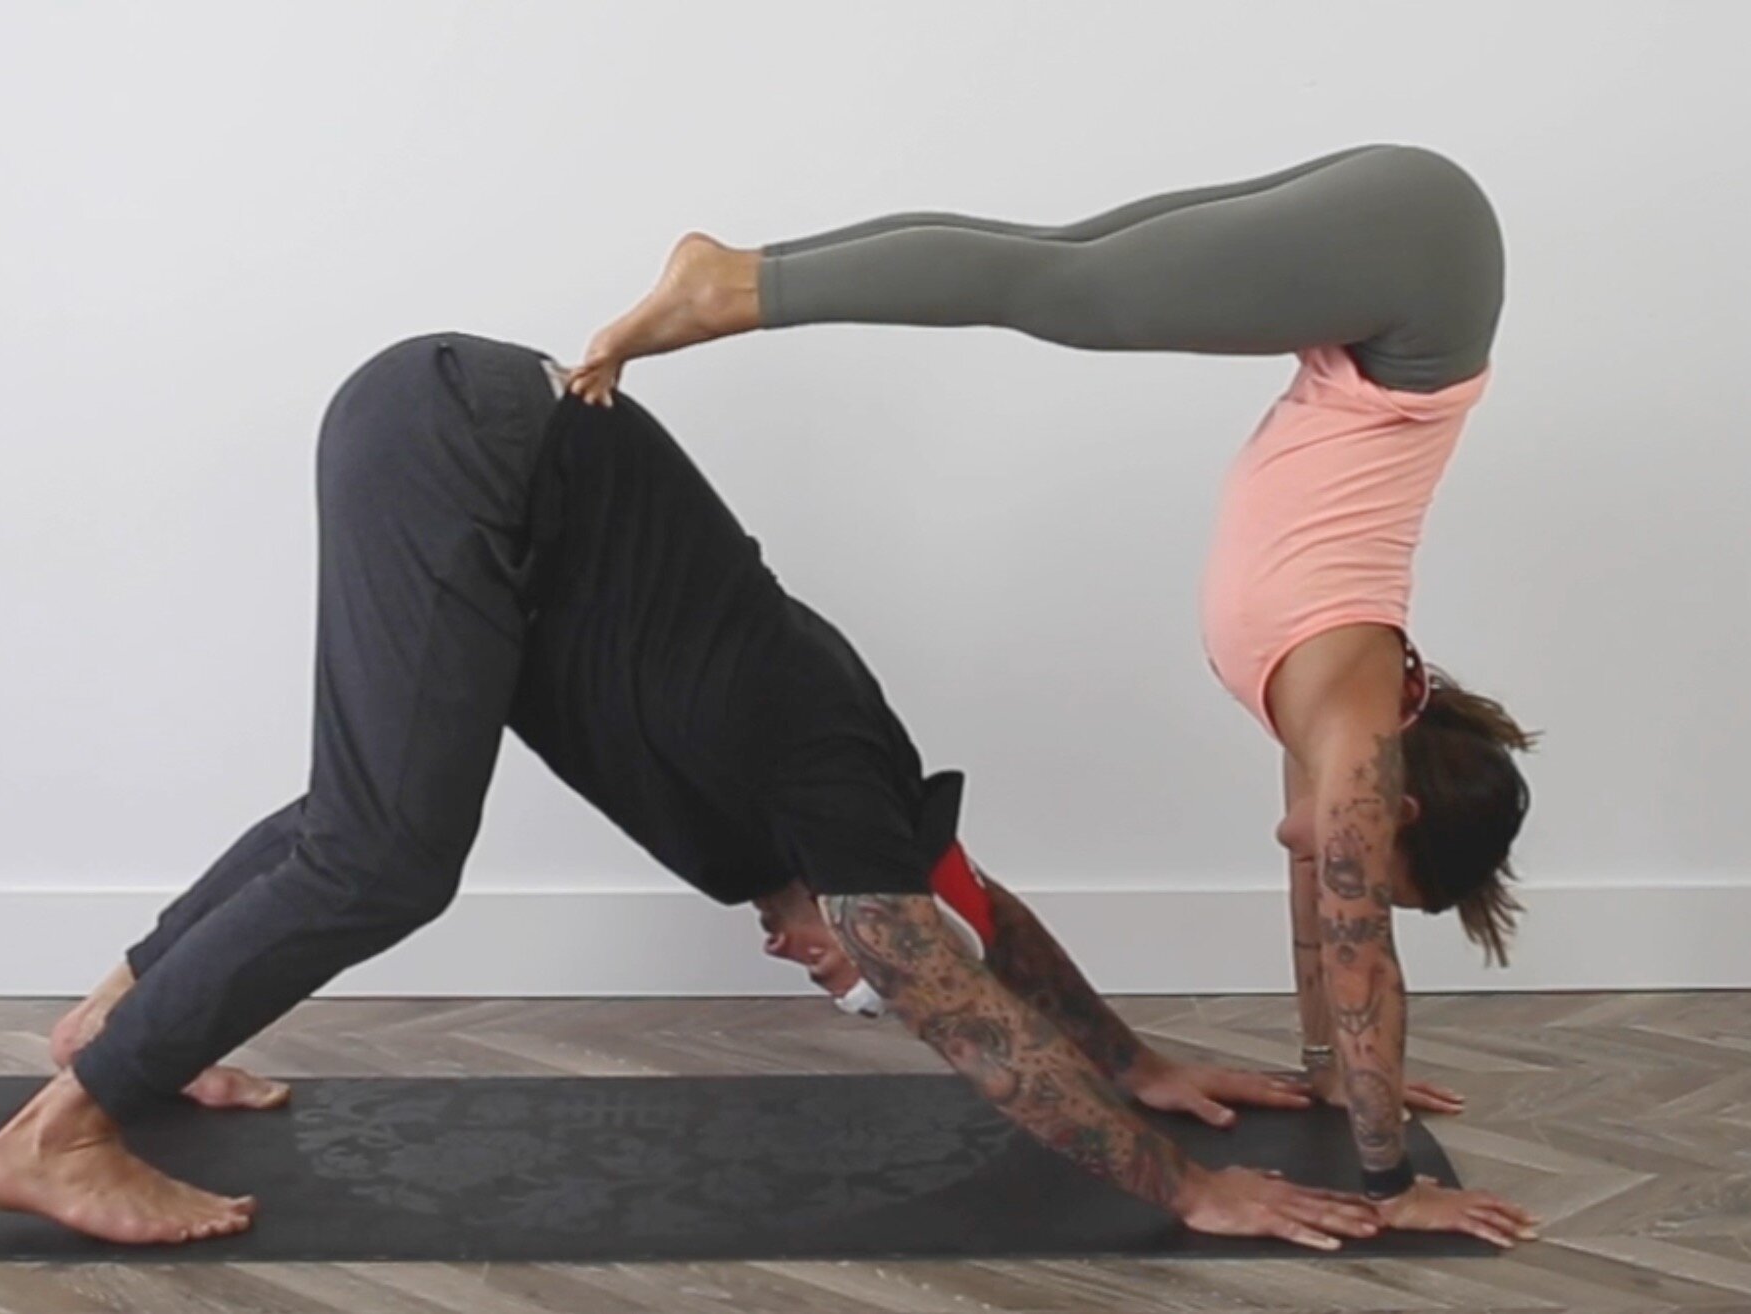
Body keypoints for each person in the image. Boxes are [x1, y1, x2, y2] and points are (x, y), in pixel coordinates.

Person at [0, 331, 1442, 1252]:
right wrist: (1183, 1187)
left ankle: (118, 1018)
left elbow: (979, 915)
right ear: (879, 899)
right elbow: (959, 987)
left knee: (359, 814)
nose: (825, 971)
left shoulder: (845, 816)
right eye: (856, 968)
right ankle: (61, 1130)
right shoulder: (829, 787)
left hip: (465, 436)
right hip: (475, 451)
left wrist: (1132, 1057)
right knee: (386, 854)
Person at [571, 144, 1539, 1234]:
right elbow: (1366, 964)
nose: (1327, 864)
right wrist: (1389, 1185)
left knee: (1054, 263)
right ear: (1394, 812)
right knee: (1062, 290)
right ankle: (732, 285)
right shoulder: (1355, 730)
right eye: (1366, 862)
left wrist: (1326, 1074)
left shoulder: (1330, 725)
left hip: (1408, 264)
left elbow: (1326, 945)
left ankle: (740, 272)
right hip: (1420, 274)